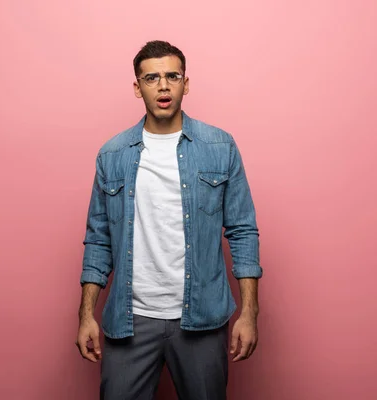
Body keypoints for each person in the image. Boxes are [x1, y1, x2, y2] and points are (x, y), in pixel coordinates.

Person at [76, 40, 263, 400]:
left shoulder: (219, 147)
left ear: (185, 83)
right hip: (130, 321)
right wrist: (86, 315)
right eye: (152, 78)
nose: (163, 86)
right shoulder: (112, 155)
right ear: (137, 87)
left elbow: (243, 232)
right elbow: (98, 241)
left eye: (172, 76)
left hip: (202, 318)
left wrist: (249, 313)